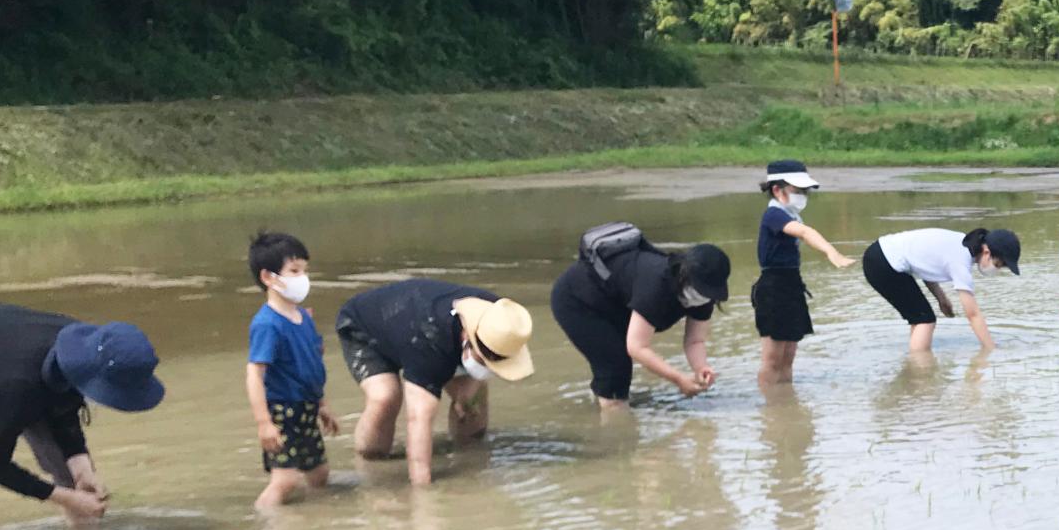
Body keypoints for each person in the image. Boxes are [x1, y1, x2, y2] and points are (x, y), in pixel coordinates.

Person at [0, 302, 164, 523]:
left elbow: (63, 401)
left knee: (70, 475)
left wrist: (82, 471)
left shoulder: (83, 345)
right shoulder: (18, 385)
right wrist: (65, 499)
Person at [335, 280, 534, 487]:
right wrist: (423, 495)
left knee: (471, 404)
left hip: (426, 328)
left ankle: (471, 459)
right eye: (486, 360)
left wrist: (467, 394)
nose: (490, 366)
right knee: (386, 397)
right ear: (468, 336)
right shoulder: (428, 345)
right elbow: (418, 419)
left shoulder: (505, 321)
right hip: (366, 327)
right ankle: (369, 465)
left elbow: (485, 361)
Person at [550, 228, 731, 414]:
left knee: (617, 371)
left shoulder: (705, 296)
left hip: (617, 305)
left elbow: (695, 341)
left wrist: (701, 368)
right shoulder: (656, 285)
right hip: (578, 301)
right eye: (700, 289)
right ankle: (615, 428)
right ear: (683, 275)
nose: (702, 296)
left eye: (708, 293)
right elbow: (637, 347)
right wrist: (679, 379)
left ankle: (605, 410)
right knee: (615, 366)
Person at [245, 231, 338, 510]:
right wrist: (264, 422)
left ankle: (313, 521)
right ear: (268, 277)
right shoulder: (267, 324)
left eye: (304, 271)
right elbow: (254, 374)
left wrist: (322, 405)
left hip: (307, 408)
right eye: (294, 271)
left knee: (319, 473)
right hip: (282, 412)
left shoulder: (302, 317)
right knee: (285, 481)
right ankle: (264, 521)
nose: (302, 279)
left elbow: (311, 365)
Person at [753, 159, 855, 388]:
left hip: (792, 285)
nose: (803, 196)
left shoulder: (790, 214)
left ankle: (787, 408)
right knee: (772, 359)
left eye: (804, 191)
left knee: (788, 356)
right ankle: (770, 411)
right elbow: (804, 233)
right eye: (797, 190)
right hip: (773, 289)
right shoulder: (774, 215)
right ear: (777, 190)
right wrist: (831, 252)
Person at [862, 226, 1022, 352]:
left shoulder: (963, 243)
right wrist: (991, 348)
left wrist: (941, 298)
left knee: (919, 318)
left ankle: (915, 369)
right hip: (884, 262)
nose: (997, 269)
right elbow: (973, 315)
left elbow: (926, 265)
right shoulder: (961, 260)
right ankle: (919, 370)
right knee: (925, 319)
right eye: (999, 265)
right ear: (987, 252)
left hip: (878, 256)